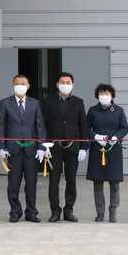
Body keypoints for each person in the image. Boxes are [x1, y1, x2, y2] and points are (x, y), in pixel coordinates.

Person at [0, 74, 46, 223]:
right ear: (13, 86)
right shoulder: (5, 103)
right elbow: (1, 126)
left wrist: (41, 147)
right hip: (13, 150)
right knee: (13, 183)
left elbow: (40, 126)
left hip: (31, 150)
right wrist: (1, 147)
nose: (20, 86)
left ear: (28, 86)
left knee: (31, 183)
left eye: (23, 84)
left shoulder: (35, 103)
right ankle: (15, 211)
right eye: (17, 84)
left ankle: (31, 212)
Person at [40, 72, 88, 222]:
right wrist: (44, 145)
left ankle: (69, 210)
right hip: (54, 146)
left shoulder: (78, 102)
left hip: (72, 146)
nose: (65, 85)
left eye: (68, 82)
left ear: (72, 85)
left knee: (71, 179)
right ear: (57, 84)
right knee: (54, 180)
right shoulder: (48, 101)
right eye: (62, 82)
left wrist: (83, 147)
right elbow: (43, 125)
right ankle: (55, 211)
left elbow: (83, 126)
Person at [86, 84, 128, 222]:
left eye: (107, 93)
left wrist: (116, 137)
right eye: (101, 93)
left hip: (113, 149)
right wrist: (95, 136)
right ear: (97, 95)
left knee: (114, 182)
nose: (104, 95)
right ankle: (100, 212)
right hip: (97, 149)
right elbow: (86, 128)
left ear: (112, 95)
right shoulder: (92, 111)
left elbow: (124, 128)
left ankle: (113, 211)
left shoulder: (119, 110)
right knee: (97, 183)